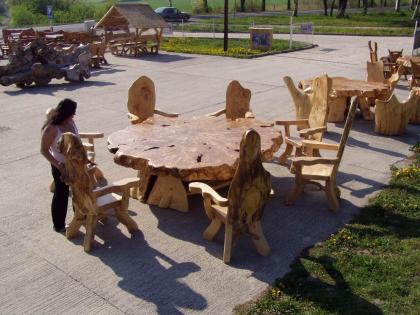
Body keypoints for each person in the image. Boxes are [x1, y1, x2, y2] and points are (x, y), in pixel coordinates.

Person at [40, 98, 78, 233]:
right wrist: (58, 165)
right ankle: (59, 225)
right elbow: (44, 151)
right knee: (61, 194)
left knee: (78, 193)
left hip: (76, 164)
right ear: (66, 113)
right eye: (72, 113)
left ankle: (79, 219)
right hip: (60, 166)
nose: (74, 115)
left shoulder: (71, 122)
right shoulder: (51, 129)